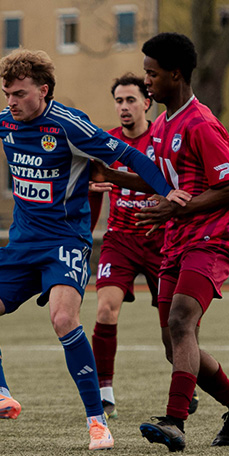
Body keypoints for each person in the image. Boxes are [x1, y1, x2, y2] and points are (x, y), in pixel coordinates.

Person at [0, 49, 190, 451]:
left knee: (63, 318)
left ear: (43, 90)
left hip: (64, 242)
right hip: (21, 244)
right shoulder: (3, 124)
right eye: (7, 93)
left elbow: (129, 155)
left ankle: (98, 422)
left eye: (20, 93)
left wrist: (167, 190)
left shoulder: (68, 124)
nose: (11, 102)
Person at [95, 33, 229, 451]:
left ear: (176, 74)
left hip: (212, 237)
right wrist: (112, 175)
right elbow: (160, 180)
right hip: (177, 238)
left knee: (182, 321)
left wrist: (174, 209)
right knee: (175, 345)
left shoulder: (201, 124)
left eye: (152, 74)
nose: (146, 81)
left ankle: (175, 421)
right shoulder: (165, 123)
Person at [87, 74, 199, 419]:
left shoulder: (162, 138)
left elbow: (181, 182)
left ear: (147, 103)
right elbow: (93, 186)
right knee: (105, 310)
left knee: (175, 324)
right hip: (119, 239)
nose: (124, 107)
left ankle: (186, 382)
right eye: (119, 101)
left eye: (131, 100)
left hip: (161, 240)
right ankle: (104, 393)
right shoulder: (106, 144)